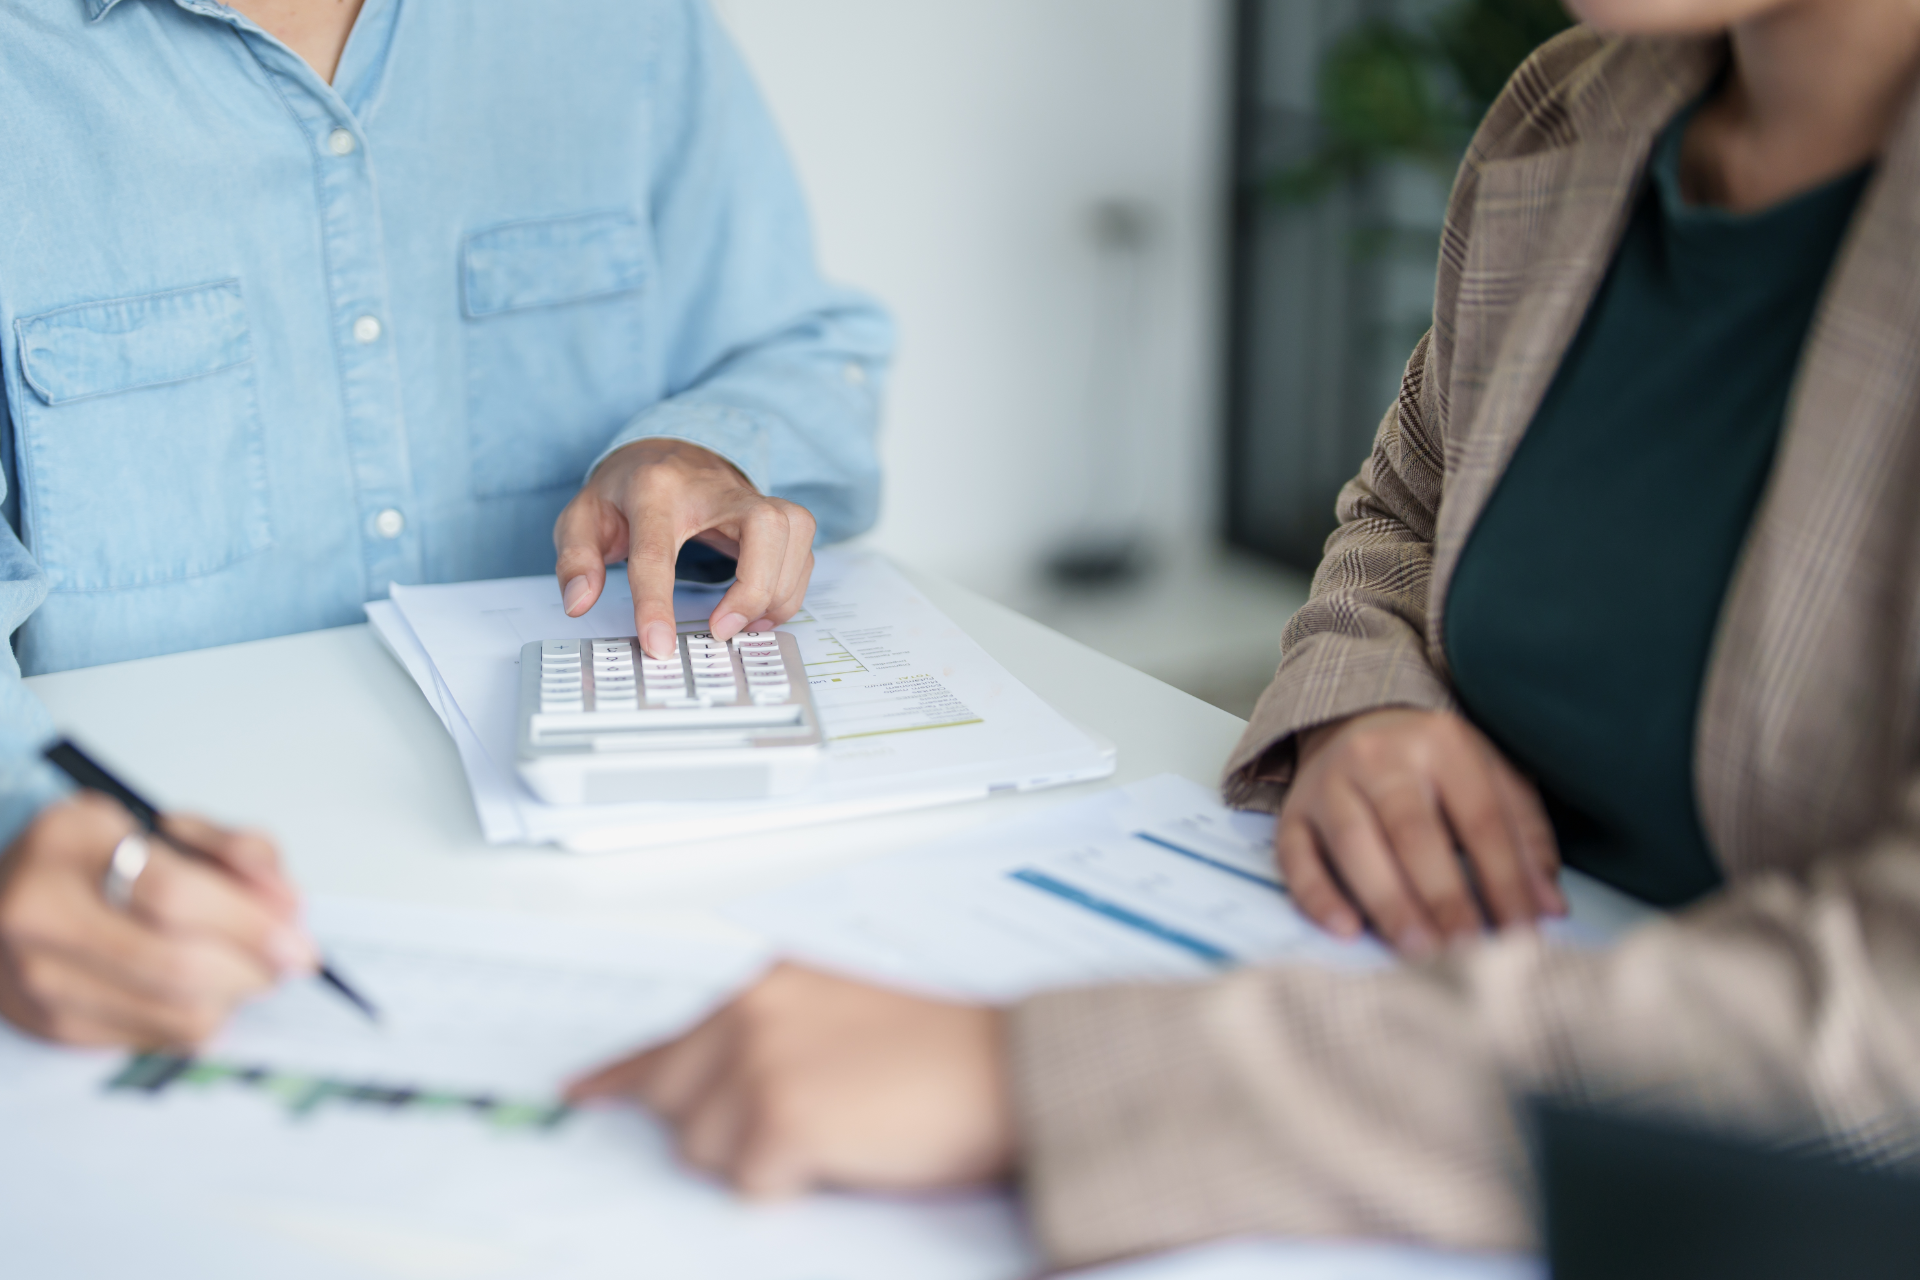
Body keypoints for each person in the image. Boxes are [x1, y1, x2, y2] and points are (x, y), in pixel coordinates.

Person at [570, 0, 1920, 1269]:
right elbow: (1401, 510)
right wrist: (1370, 707)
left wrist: (1040, 1081)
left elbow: (1880, 1033)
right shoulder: (1567, 115)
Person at [0, 0, 888, 1046]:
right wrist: (17, 825)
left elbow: (801, 343)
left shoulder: (632, 27)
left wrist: (710, 447)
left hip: (653, 924)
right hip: (172, 948)